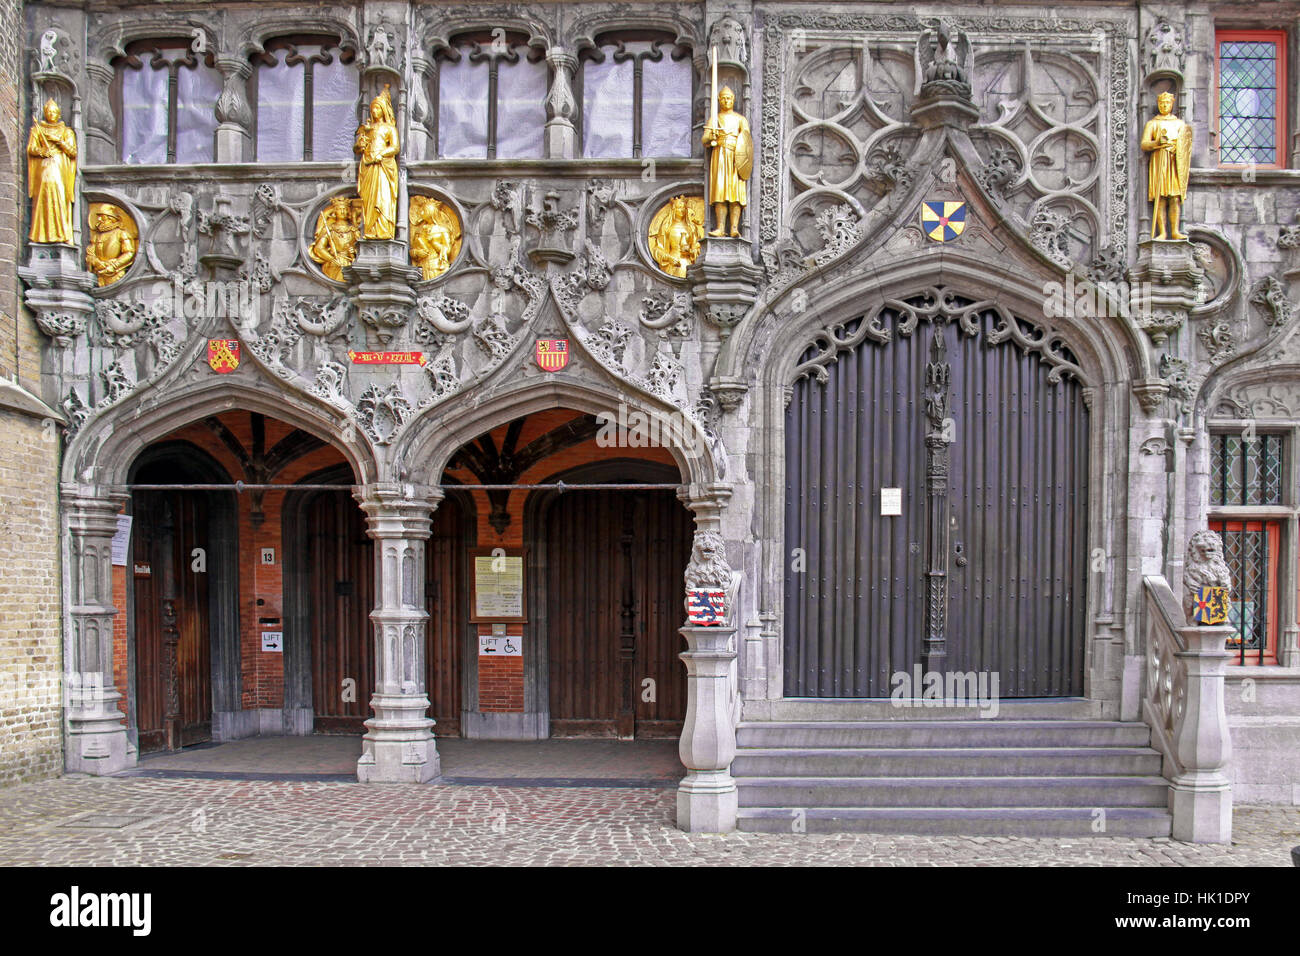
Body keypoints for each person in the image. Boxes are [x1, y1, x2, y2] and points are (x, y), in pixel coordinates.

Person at [1140, 91, 1192, 240]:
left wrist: (1177, 148)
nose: (1164, 105)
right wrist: (1157, 143)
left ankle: (1174, 231)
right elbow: (1144, 144)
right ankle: (1162, 232)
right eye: (1161, 103)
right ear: (1158, 104)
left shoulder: (1179, 124)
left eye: (1167, 103)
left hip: (1174, 162)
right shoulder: (1153, 123)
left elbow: (1186, 143)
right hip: (1159, 161)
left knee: (1174, 198)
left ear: (1172, 104)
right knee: (1160, 198)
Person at [702, 86, 751, 238]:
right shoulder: (714, 119)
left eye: (728, 98)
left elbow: (747, 141)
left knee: (735, 194)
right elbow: (705, 139)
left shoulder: (740, 119)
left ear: (733, 100)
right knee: (720, 192)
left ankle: (734, 228)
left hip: (736, 158)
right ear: (719, 100)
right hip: (720, 157)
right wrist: (712, 137)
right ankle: (720, 227)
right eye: (723, 98)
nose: (726, 100)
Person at [28, 98, 77, 245]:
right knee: (43, 196)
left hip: (60, 168)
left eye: (54, 111)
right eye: (48, 111)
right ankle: (40, 234)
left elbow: (73, 152)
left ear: (59, 114)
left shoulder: (66, 131)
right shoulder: (37, 129)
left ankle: (63, 233)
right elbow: (31, 148)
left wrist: (59, 141)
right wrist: (42, 151)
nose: (51, 114)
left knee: (60, 198)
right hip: (44, 167)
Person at [355, 85, 399, 240]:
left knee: (382, 197)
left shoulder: (389, 128)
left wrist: (381, 154)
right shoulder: (367, 128)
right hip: (368, 165)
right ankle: (371, 229)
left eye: (377, 108)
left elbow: (395, 147)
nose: (374, 111)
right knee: (369, 200)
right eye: (373, 108)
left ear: (383, 110)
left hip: (382, 166)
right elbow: (357, 148)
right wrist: (360, 144)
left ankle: (383, 228)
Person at [85, 204, 137, 286]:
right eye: (99, 216)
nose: (99, 219)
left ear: (111, 218)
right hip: (98, 273)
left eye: (102, 216)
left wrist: (114, 265)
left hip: (115, 274)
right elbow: (90, 253)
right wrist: (97, 263)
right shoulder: (96, 236)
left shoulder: (121, 233)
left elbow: (129, 252)